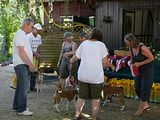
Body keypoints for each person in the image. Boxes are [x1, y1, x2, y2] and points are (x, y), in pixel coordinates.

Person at [71, 28, 115, 120]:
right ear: (100, 36)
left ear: (91, 35)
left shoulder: (84, 43)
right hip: (96, 77)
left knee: (81, 97)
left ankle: (76, 116)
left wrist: (71, 60)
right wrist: (111, 66)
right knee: (96, 99)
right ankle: (94, 118)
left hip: (83, 75)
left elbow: (76, 57)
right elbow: (105, 62)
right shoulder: (101, 45)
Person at [124, 33, 154, 116]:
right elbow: (132, 58)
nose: (126, 44)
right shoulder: (131, 47)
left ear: (132, 41)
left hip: (147, 71)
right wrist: (131, 62)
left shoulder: (142, 48)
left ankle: (141, 108)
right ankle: (145, 104)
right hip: (138, 71)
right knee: (137, 88)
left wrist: (140, 63)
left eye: (127, 42)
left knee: (144, 89)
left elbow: (152, 58)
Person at [12, 18, 36, 116]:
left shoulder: (23, 35)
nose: (32, 28)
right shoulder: (20, 35)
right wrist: (30, 64)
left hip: (22, 64)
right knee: (24, 87)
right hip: (22, 64)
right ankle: (22, 109)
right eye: (31, 26)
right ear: (26, 25)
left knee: (20, 87)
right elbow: (21, 51)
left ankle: (17, 106)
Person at [28, 23, 43, 92]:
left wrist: (37, 53)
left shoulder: (39, 37)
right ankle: (26, 87)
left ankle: (32, 87)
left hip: (35, 56)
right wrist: (35, 53)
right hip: (28, 56)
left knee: (34, 71)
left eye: (39, 30)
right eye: (37, 30)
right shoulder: (29, 36)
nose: (38, 31)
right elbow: (27, 47)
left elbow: (39, 46)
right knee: (28, 71)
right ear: (33, 29)